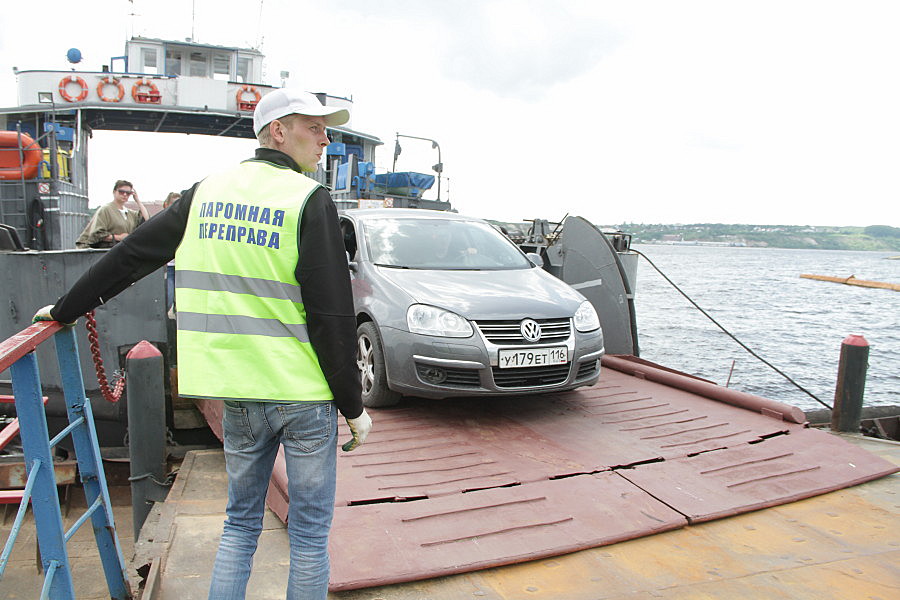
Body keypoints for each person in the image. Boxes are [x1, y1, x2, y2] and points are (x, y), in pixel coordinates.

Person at [34, 88, 372, 600]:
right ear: (278, 131)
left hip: (237, 393)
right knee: (307, 537)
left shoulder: (206, 192)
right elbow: (332, 315)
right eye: (315, 127)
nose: (326, 139)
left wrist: (66, 309)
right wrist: (353, 405)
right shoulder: (308, 199)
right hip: (303, 396)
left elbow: (133, 255)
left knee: (238, 528)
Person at [74, 179, 149, 248]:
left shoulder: (130, 214)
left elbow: (147, 219)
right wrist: (118, 237)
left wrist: (137, 200)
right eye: (121, 192)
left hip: (122, 250)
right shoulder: (105, 210)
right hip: (106, 251)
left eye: (128, 193)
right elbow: (96, 234)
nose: (125, 195)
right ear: (114, 192)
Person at [162, 192, 181, 312]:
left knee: (180, 303)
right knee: (168, 299)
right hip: (169, 267)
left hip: (181, 267)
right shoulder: (163, 222)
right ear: (167, 205)